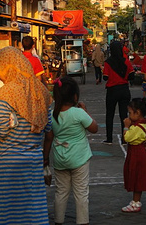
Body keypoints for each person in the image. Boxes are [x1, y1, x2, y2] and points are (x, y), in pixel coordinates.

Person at [0, 46, 53, 225]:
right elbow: (48, 127)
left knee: (7, 212)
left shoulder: (6, 92)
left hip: (9, 162)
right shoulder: (41, 91)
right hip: (33, 160)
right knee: (32, 209)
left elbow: (2, 131)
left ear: (9, 68)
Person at [49, 76, 98, 225]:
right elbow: (94, 128)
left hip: (59, 158)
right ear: (75, 96)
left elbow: (49, 137)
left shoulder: (52, 115)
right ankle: (82, 221)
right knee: (81, 193)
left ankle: (58, 220)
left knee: (61, 192)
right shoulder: (78, 113)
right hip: (79, 158)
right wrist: (85, 111)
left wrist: (45, 160)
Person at [121, 98, 146, 213]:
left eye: (130, 113)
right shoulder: (143, 124)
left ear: (137, 113)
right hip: (143, 153)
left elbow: (126, 138)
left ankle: (136, 203)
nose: (129, 115)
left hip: (137, 155)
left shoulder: (137, 127)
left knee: (136, 177)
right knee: (141, 177)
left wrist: (126, 127)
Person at [102, 40, 133, 145]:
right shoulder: (126, 61)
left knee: (109, 115)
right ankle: (125, 138)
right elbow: (131, 75)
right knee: (124, 115)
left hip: (112, 90)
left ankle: (109, 138)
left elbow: (105, 77)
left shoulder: (108, 62)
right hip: (124, 89)